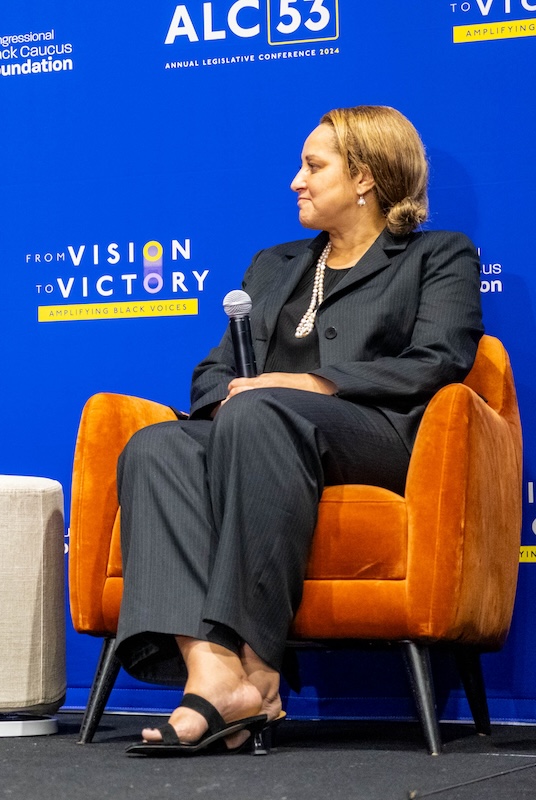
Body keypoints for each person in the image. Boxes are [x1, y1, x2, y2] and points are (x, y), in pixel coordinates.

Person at [115, 106, 483, 756]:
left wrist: (309, 384)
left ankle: (257, 664)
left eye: (314, 166)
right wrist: (230, 401)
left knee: (261, 410)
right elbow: (214, 371)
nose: (295, 181)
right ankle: (214, 674)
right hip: (257, 436)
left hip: (374, 440)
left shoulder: (436, 255)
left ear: (366, 178)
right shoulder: (274, 264)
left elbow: (439, 361)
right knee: (157, 445)